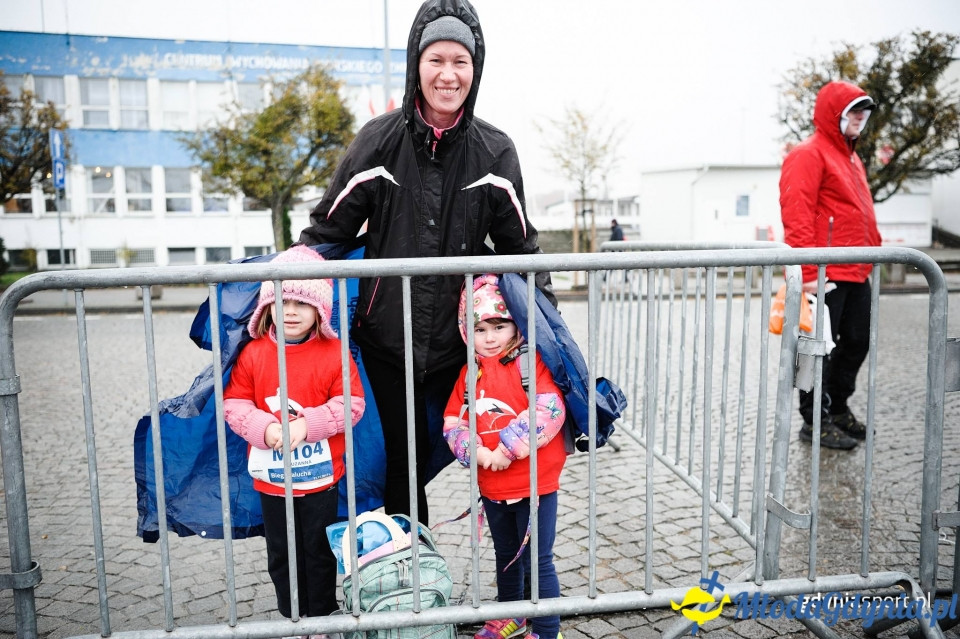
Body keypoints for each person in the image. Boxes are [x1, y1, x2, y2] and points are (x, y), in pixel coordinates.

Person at [299, 0, 555, 525]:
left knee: (489, 446)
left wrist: (547, 328)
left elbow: (521, 248)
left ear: (475, 71)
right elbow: (327, 231)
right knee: (402, 464)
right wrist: (280, 287)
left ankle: (513, 584)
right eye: (436, 59)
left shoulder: (495, 152)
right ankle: (414, 584)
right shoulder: (378, 141)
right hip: (387, 341)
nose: (448, 74)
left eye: (460, 62)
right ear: (417, 65)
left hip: (461, 345)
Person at [223, 245, 365, 629]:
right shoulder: (253, 354)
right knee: (281, 554)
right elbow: (234, 403)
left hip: (321, 479)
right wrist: (263, 428)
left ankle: (320, 621)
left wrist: (309, 424)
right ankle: (293, 619)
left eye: (301, 303)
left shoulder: (334, 352)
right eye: (282, 300)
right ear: (267, 305)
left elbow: (352, 404)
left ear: (319, 309)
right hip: (272, 482)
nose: (290, 311)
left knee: (318, 552)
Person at [443, 275, 567, 639]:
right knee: (506, 555)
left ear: (515, 323)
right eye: (480, 328)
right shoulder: (470, 373)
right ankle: (511, 614)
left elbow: (549, 408)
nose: (490, 336)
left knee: (538, 560)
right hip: (494, 485)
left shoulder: (531, 365)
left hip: (535, 484)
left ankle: (546, 630)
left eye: (499, 325)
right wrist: (478, 452)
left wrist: (505, 449)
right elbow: (453, 422)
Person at [780, 80, 881, 450]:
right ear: (834, 115)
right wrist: (807, 272)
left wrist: (875, 248)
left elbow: (858, 212)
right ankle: (815, 421)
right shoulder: (809, 154)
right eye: (853, 110)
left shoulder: (853, 159)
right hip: (826, 271)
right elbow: (798, 211)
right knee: (818, 347)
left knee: (856, 342)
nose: (860, 117)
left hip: (856, 267)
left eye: (864, 111)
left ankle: (837, 408)